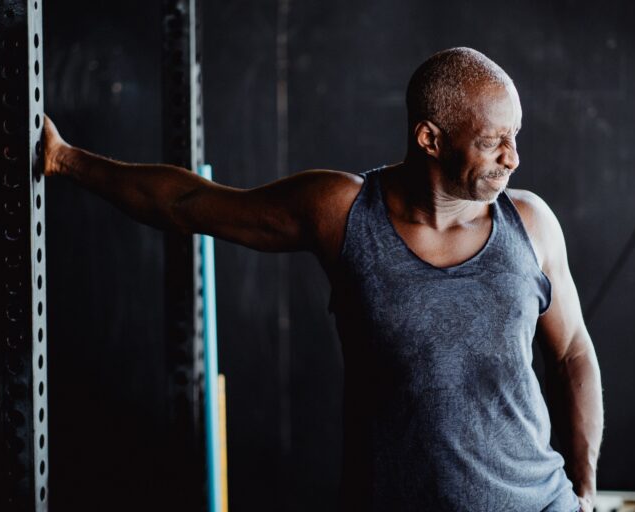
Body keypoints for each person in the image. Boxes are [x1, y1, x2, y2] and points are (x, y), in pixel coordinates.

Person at [42, 47, 603, 512]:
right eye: (491, 141)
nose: (513, 158)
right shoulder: (343, 213)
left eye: (516, 135)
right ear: (430, 138)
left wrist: (582, 492)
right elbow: (191, 204)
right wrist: (67, 161)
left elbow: (574, 352)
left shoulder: (531, 226)